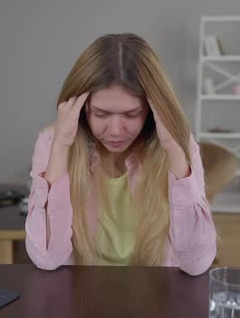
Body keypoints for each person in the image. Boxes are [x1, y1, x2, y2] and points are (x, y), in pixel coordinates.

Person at [25, 33, 216, 276]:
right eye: (101, 114)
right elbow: (46, 258)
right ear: (83, 109)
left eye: (131, 114)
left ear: (151, 108)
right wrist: (62, 145)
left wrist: (175, 151)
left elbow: (195, 263)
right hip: (84, 295)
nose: (115, 131)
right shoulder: (52, 143)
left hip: (155, 294)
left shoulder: (179, 147)